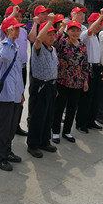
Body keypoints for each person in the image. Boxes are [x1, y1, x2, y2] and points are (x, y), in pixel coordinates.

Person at [0, 16, 25, 171]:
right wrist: (10, 39)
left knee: (12, 126)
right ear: (7, 30)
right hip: (5, 94)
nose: (18, 31)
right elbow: (4, 58)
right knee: (4, 126)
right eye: (15, 28)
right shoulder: (1, 45)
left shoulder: (16, 46)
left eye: (18, 28)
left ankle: (7, 150)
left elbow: (18, 73)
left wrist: (21, 93)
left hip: (16, 94)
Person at [27, 13, 58, 158]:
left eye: (53, 34)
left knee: (48, 115)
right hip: (40, 86)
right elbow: (38, 38)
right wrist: (50, 22)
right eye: (49, 34)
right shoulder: (37, 47)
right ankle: (33, 144)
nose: (52, 37)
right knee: (37, 116)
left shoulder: (53, 50)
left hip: (51, 86)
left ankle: (45, 141)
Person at [52, 20, 89, 144]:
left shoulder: (83, 46)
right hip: (62, 81)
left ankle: (67, 131)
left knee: (72, 108)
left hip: (77, 82)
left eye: (77, 30)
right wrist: (62, 27)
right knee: (59, 107)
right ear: (67, 31)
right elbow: (53, 42)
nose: (75, 33)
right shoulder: (62, 43)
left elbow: (85, 65)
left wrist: (85, 81)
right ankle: (55, 131)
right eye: (72, 30)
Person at [75, 8, 103, 134]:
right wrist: (101, 16)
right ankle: (81, 123)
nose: (100, 26)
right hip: (87, 69)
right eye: (98, 23)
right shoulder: (85, 36)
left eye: (101, 24)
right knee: (86, 98)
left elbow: (97, 56)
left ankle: (91, 121)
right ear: (92, 23)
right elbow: (89, 31)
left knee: (95, 97)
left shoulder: (96, 37)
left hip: (96, 68)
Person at [0, 6, 29, 136]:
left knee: (18, 103)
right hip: (7, 79)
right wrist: (12, 14)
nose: (19, 19)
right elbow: (5, 56)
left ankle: (15, 126)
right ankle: (1, 153)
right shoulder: (3, 40)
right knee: (6, 119)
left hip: (20, 71)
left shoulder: (21, 34)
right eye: (16, 17)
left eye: (20, 17)